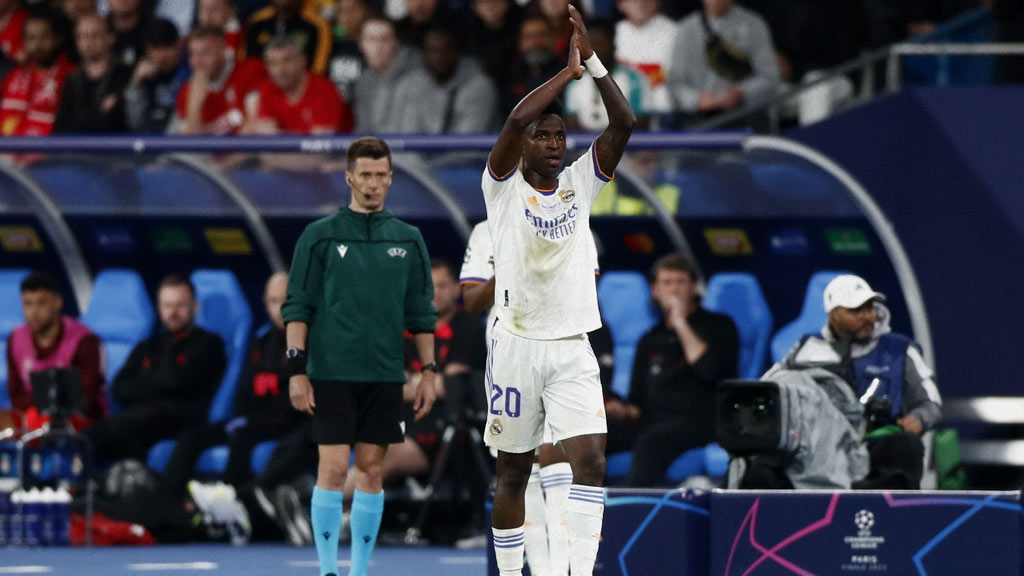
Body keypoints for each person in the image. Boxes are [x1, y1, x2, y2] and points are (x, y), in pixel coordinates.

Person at [482, 5, 635, 575]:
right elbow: (516, 121)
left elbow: (624, 124)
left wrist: (591, 61)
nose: (552, 143)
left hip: (572, 343)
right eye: (543, 136)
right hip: (517, 343)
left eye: (560, 136)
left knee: (590, 459)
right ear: (525, 148)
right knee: (514, 473)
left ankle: (577, 570)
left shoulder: (579, 184)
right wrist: (564, 76)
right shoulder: (500, 189)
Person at [282, 136, 438, 576]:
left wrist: (427, 372)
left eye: (381, 175)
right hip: (331, 372)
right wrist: (296, 370)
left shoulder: (409, 240)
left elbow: (421, 314)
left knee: (371, 470)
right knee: (332, 468)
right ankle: (329, 569)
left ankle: (360, 570)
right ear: (349, 177)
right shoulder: (319, 236)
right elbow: (298, 306)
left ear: (391, 178)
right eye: (365, 175)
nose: (373, 183)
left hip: (386, 374)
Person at [768, 274, 942, 489]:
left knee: (906, 445)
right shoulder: (806, 348)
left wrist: (918, 418)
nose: (868, 317)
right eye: (856, 311)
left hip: (872, 445)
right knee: (762, 468)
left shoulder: (900, 349)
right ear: (833, 315)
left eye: (870, 308)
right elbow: (769, 387)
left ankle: (889, 512)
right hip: (813, 450)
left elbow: (931, 402)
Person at [155, 272, 303, 497]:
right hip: (251, 420)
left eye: (287, 300)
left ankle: (234, 502)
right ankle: (166, 503)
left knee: (241, 433)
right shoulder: (260, 343)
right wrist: (245, 416)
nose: (280, 308)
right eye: (274, 301)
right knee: (192, 436)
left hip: (287, 423)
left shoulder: (308, 341)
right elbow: (244, 390)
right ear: (265, 303)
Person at [613, 253, 739, 487]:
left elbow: (709, 370)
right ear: (655, 290)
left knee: (653, 441)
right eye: (667, 283)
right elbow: (637, 398)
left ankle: (630, 512)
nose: (674, 290)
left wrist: (680, 323)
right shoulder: (649, 339)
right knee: (592, 432)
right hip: (652, 420)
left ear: (693, 287)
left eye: (680, 282)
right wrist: (621, 410)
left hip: (701, 421)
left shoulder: (720, 326)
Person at [82, 274, 227, 464]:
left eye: (180, 305)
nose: (173, 312)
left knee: (122, 426)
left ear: (195, 307)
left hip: (185, 420)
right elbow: (118, 389)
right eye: (167, 306)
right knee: (101, 431)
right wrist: (158, 381)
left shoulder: (208, 342)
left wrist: (144, 381)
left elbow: (181, 382)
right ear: (159, 308)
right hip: (142, 417)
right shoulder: (148, 345)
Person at [6, 271, 106, 430]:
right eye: (27, 304)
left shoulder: (84, 340)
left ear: (57, 302)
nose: (33, 312)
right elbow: (16, 396)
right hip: (32, 417)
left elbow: (87, 399)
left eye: (41, 303)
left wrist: (44, 404)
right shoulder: (15, 338)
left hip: (80, 422)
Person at [666, 0, 780, 126]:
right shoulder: (686, 29)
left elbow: (771, 79)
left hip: (744, 116)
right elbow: (675, 84)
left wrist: (742, 92)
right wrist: (698, 100)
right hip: (698, 121)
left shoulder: (754, 25)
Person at [390, 25, 497, 133]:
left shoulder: (479, 86)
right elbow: (407, 134)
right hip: (417, 150)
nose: (439, 57)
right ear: (423, 55)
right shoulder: (410, 84)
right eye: (432, 51)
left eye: (445, 50)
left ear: (457, 52)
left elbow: (467, 138)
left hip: (469, 150)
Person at [171, 25, 265, 135]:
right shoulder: (186, 91)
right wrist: (194, 105)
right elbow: (189, 143)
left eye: (205, 53)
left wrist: (236, 152)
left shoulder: (250, 70)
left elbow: (254, 123)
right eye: (193, 54)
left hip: (245, 150)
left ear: (223, 50)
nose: (197, 61)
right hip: (205, 152)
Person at [248, 36, 352, 135]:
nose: (280, 70)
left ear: (302, 60)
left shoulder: (324, 89)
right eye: (273, 63)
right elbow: (267, 138)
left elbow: (320, 145)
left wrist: (280, 136)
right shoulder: (267, 88)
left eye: (287, 60)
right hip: (283, 154)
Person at [564, 18, 649, 131]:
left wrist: (609, 143)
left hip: (625, 145)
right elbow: (571, 121)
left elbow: (641, 120)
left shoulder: (634, 79)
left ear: (613, 45)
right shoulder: (574, 82)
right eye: (592, 44)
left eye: (601, 43)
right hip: (585, 146)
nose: (596, 50)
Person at [0, 8, 74, 137]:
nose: (37, 45)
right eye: (31, 38)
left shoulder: (70, 76)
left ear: (57, 38)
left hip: (52, 151)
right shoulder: (14, 75)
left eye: (44, 37)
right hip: (7, 149)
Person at [53, 14, 132, 133]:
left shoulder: (125, 74)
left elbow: (115, 123)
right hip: (75, 149)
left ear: (110, 37)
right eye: (83, 36)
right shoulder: (73, 78)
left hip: (115, 149)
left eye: (95, 35)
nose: (88, 42)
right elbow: (61, 127)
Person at [352, 14, 417, 133]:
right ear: (361, 45)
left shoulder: (417, 80)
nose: (378, 47)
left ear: (396, 42)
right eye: (371, 39)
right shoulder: (363, 82)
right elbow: (363, 131)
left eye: (385, 39)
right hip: (374, 149)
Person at [123, 18, 189, 133]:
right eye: (156, 48)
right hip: (146, 143)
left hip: (178, 141)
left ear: (178, 45)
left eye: (167, 46)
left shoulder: (190, 71)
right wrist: (136, 84)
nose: (162, 55)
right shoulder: (142, 75)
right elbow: (134, 122)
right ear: (148, 49)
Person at [614, 0, 675, 124]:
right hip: (622, 113)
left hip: (664, 110)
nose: (640, 3)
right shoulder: (612, 34)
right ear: (620, 5)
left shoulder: (674, 31)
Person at [244, 0, 332, 74]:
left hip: (303, 89)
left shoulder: (317, 25)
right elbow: (245, 65)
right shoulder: (256, 23)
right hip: (261, 89)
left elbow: (318, 70)